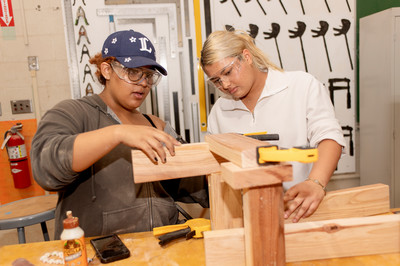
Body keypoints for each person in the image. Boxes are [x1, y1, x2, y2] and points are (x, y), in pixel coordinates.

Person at [31, 30, 208, 239]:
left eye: (149, 75)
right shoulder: (75, 113)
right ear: (107, 70)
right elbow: (45, 167)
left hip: (161, 246)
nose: (143, 83)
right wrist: (117, 133)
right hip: (102, 251)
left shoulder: (155, 124)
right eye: (134, 72)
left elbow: (194, 182)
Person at [200, 29, 346, 223]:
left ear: (246, 56)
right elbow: (216, 169)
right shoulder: (220, 110)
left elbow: (330, 137)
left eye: (227, 72)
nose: (225, 84)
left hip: (298, 211)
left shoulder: (301, 86)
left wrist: (315, 183)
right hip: (246, 217)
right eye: (216, 81)